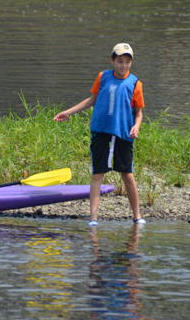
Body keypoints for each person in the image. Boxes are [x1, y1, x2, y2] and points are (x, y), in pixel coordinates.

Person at [53, 43, 145, 226]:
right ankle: (93, 219)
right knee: (98, 174)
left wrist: (137, 126)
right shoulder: (102, 77)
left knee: (127, 174)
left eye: (127, 62)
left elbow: (139, 113)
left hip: (123, 134)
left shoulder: (136, 83)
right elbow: (91, 100)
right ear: (112, 60)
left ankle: (137, 216)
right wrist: (69, 112)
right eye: (120, 61)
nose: (123, 65)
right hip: (101, 131)